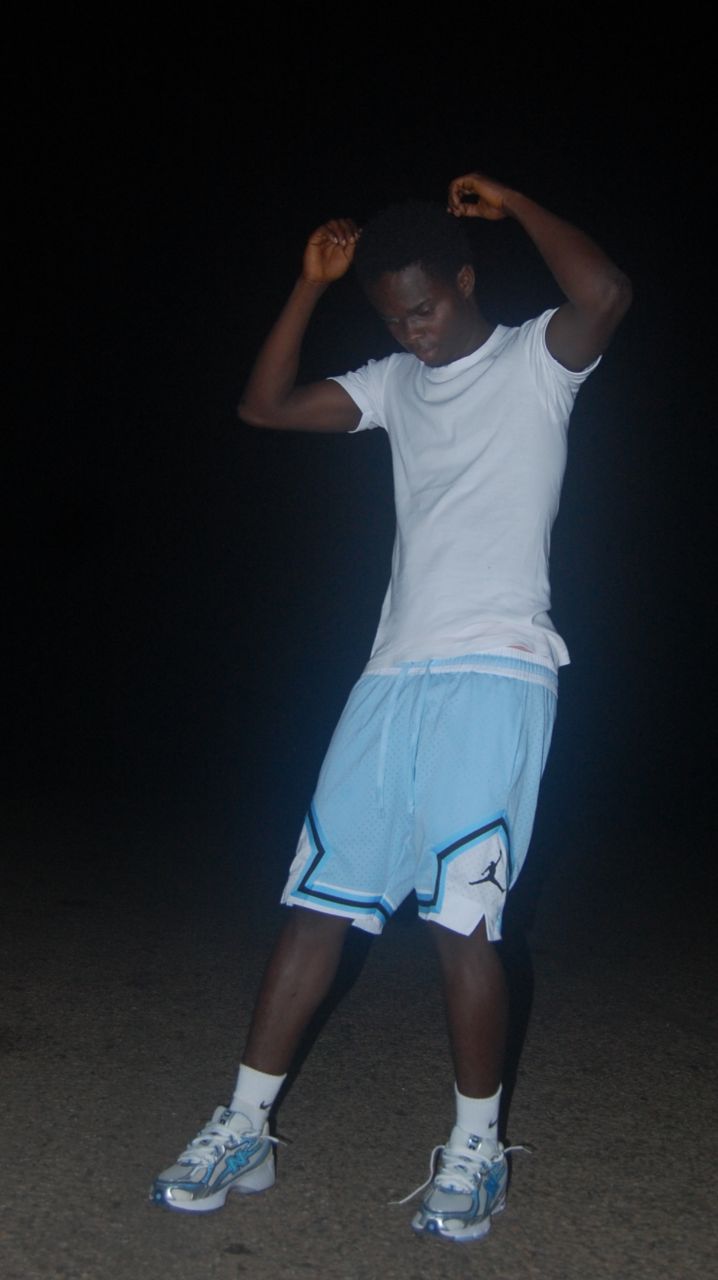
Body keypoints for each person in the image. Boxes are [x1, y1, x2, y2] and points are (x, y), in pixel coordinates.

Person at [150, 172, 631, 1242]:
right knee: (316, 901)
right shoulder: (391, 385)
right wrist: (308, 286)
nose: (413, 332)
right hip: (389, 676)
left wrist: (512, 201)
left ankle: (476, 1148)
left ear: (463, 281)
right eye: (393, 317)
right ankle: (245, 1125)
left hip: (498, 670)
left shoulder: (535, 361)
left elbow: (605, 292)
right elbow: (264, 406)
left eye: (424, 308)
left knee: (463, 920)